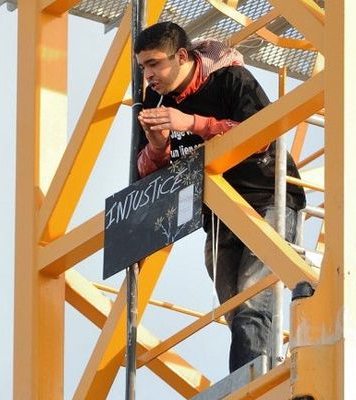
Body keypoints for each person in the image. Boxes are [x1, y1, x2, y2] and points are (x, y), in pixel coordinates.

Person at [134, 21, 306, 373]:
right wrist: (158, 144)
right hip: (218, 213)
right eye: (143, 67)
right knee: (234, 303)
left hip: (266, 197)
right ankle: (255, 375)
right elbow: (145, 171)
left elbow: (260, 136)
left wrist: (192, 123)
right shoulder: (156, 100)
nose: (148, 75)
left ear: (181, 56)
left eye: (154, 64)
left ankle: (250, 388)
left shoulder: (231, 80)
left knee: (252, 300)